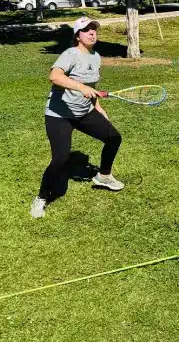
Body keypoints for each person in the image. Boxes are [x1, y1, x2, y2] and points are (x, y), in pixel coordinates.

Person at [30, 17, 124, 218]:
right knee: (61, 158)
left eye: (94, 29)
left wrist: (97, 106)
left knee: (113, 137)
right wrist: (81, 87)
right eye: (87, 30)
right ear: (77, 36)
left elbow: (92, 87)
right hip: (60, 115)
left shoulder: (96, 57)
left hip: (84, 112)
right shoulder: (70, 54)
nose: (92, 33)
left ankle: (103, 176)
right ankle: (42, 197)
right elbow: (55, 76)